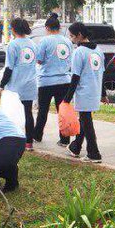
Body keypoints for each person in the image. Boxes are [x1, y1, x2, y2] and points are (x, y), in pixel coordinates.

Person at [64, 22, 104, 162]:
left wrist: (67, 99)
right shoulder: (98, 50)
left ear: (79, 35)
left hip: (83, 92)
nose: (71, 39)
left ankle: (94, 154)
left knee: (87, 123)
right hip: (95, 91)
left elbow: (75, 77)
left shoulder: (79, 52)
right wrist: (103, 94)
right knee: (84, 120)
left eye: (72, 36)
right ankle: (76, 147)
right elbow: (102, 73)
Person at [33, 12, 73, 146]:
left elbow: (39, 60)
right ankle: (64, 139)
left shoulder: (45, 41)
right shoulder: (67, 41)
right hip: (64, 81)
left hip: (46, 81)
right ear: (59, 27)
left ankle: (37, 135)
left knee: (43, 110)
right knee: (62, 111)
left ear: (47, 28)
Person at [0, 18, 39, 149]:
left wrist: (1, 86)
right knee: (28, 113)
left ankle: (13, 139)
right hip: (30, 83)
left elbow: (9, 68)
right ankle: (29, 143)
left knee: (13, 112)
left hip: (16, 85)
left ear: (14, 29)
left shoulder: (13, 45)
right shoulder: (32, 44)